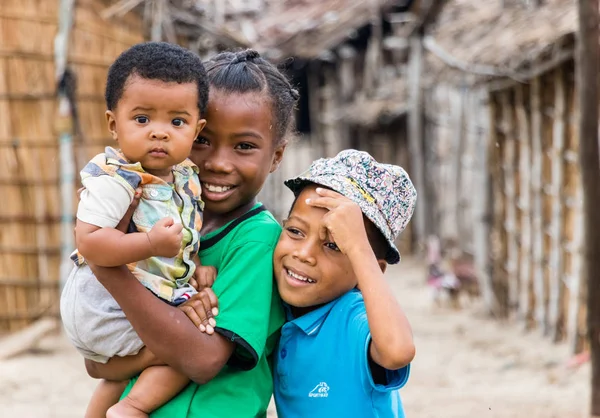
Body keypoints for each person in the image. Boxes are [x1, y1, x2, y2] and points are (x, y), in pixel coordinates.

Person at [82, 49, 298, 418]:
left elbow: (202, 359)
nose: (217, 162)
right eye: (203, 142)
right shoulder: (157, 216)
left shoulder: (256, 240)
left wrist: (108, 267)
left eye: (244, 146)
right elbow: (100, 364)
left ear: (276, 156)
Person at [59, 42, 217, 417]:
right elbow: (90, 241)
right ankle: (132, 408)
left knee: (117, 372)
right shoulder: (117, 177)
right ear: (114, 124)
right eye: (142, 119)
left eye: (176, 122)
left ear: (197, 129)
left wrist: (193, 264)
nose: (159, 133)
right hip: (101, 305)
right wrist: (148, 243)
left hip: (128, 301)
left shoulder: (185, 177)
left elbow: (182, 231)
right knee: (184, 349)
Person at [272, 150, 417, 417]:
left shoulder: (353, 318)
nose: (303, 254)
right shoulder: (278, 305)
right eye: (294, 231)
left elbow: (398, 351)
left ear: (370, 269)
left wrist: (358, 246)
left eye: (333, 245)